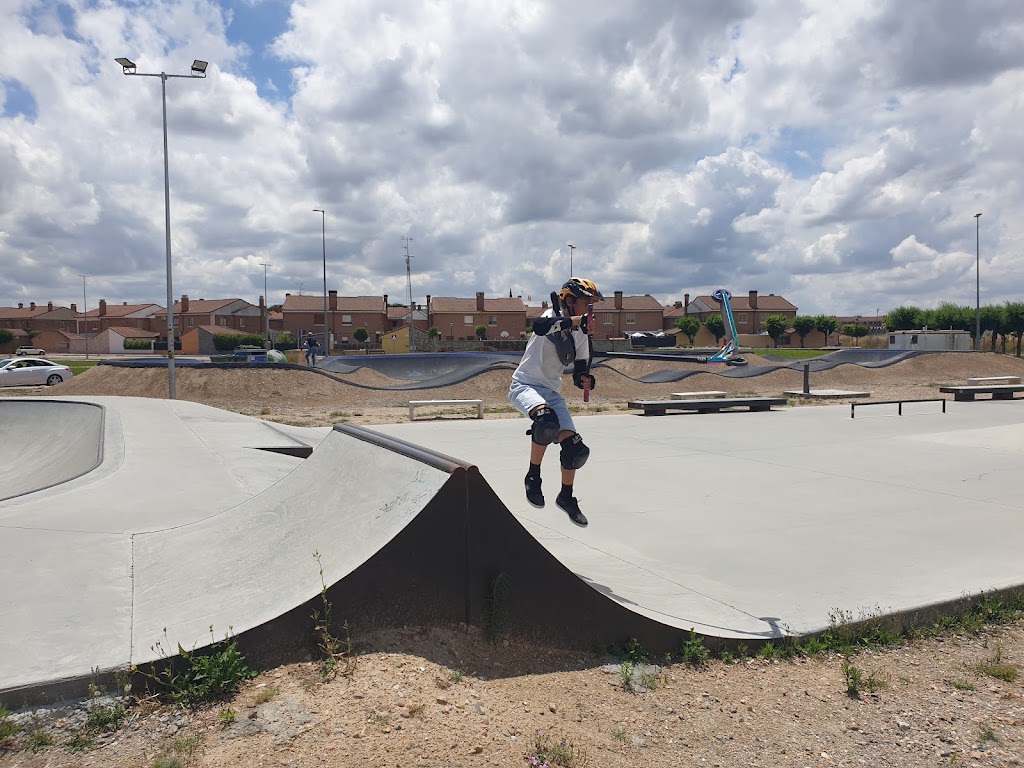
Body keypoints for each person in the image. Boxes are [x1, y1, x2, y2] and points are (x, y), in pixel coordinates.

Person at [508, 277, 601, 527]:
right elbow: (539, 326)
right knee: (546, 423)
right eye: (585, 303)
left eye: (592, 305)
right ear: (569, 301)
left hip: (552, 393)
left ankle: (566, 497)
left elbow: (580, 370)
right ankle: (533, 476)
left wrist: (585, 379)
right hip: (524, 386)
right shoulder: (553, 317)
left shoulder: (581, 335)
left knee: (575, 449)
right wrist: (577, 322)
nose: (589, 310)